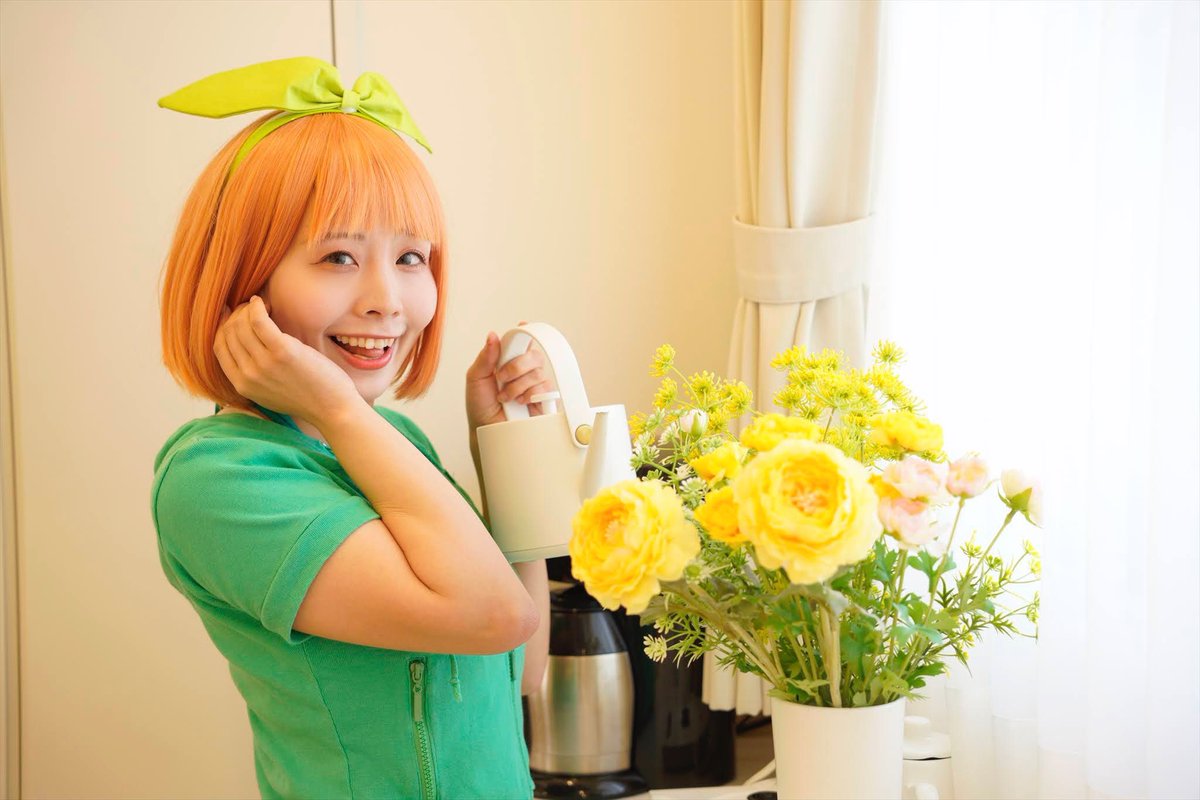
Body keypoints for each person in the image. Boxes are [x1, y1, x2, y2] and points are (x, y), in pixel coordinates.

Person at [150, 56, 552, 799]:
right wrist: (340, 409)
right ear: (243, 280)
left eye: (410, 257)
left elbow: (520, 667)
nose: (387, 300)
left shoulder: (391, 441)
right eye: (338, 255)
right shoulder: (217, 481)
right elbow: (495, 616)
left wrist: (501, 449)